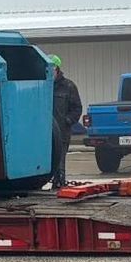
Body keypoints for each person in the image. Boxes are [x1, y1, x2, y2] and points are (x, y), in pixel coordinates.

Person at [48, 55, 82, 188]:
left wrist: (67, 121)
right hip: (43, 133)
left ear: (57, 68)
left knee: (59, 163)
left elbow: (77, 108)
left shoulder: (68, 86)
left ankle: (59, 185)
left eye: (51, 68)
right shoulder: (42, 86)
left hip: (62, 133)